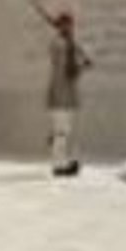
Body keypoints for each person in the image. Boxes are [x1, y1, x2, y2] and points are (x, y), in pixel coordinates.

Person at [47, 11, 91, 178]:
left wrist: (74, 48)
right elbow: (69, 71)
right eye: (67, 24)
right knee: (61, 132)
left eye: (71, 24)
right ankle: (59, 166)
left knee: (63, 131)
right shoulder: (59, 45)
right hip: (60, 95)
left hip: (65, 95)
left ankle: (62, 160)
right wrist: (83, 65)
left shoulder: (66, 43)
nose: (70, 27)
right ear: (62, 26)